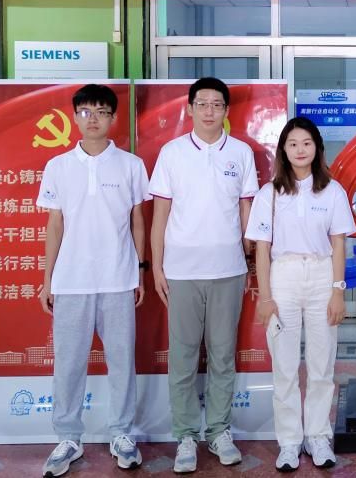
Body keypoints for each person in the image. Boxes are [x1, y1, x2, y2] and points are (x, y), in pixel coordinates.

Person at [36, 84, 150, 478]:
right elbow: (54, 225)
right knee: (68, 364)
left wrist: (139, 271)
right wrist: (48, 280)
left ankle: (122, 433)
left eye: (102, 112)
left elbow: (138, 221)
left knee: (122, 361)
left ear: (114, 118)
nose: (93, 119)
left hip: (118, 278)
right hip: (71, 281)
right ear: (75, 117)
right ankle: (68, 437)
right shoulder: (58, 166)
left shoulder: (131, 165)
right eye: (86, 112)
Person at [149, 78, 259, 473]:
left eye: (217, 104)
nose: (209, 111)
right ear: (190, 108)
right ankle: (184, 435)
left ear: (226, 110)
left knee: (222, 356)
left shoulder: (241, 153)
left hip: (228, 269)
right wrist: (157, 266)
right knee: (182, 356)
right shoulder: (172, 153)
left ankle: (218, 431)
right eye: (202, 104)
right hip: (181, 271)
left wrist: (251, 257)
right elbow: (160, 214)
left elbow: (247, 211)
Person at [245, 116, 355, 472]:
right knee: (285, 366)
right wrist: (266, 297)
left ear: (317, 148)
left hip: (322, 276)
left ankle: (318, 436)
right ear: (283, 150)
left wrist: (338, 291)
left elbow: (338, 245)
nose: (300, 150)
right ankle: (290, 441)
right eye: (292, 144)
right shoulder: (269, 194)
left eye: (306, 143)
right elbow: (262, 250)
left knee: (322, 365)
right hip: (284, 278)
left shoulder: (332, 191)